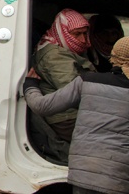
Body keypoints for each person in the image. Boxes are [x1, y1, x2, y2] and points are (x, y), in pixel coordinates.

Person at [23, 36, 129, 194]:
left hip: (83, 172)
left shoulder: (86, 81)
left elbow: (42, 106)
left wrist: (30, 85)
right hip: (119, 176)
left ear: (113, 56)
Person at [31, 8, 96, 143]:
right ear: (62, 31)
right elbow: (74, 93)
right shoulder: (54, 55)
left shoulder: (66, 48)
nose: (83, 39)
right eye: (77, 34)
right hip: (67, 118)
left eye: (85, 33)